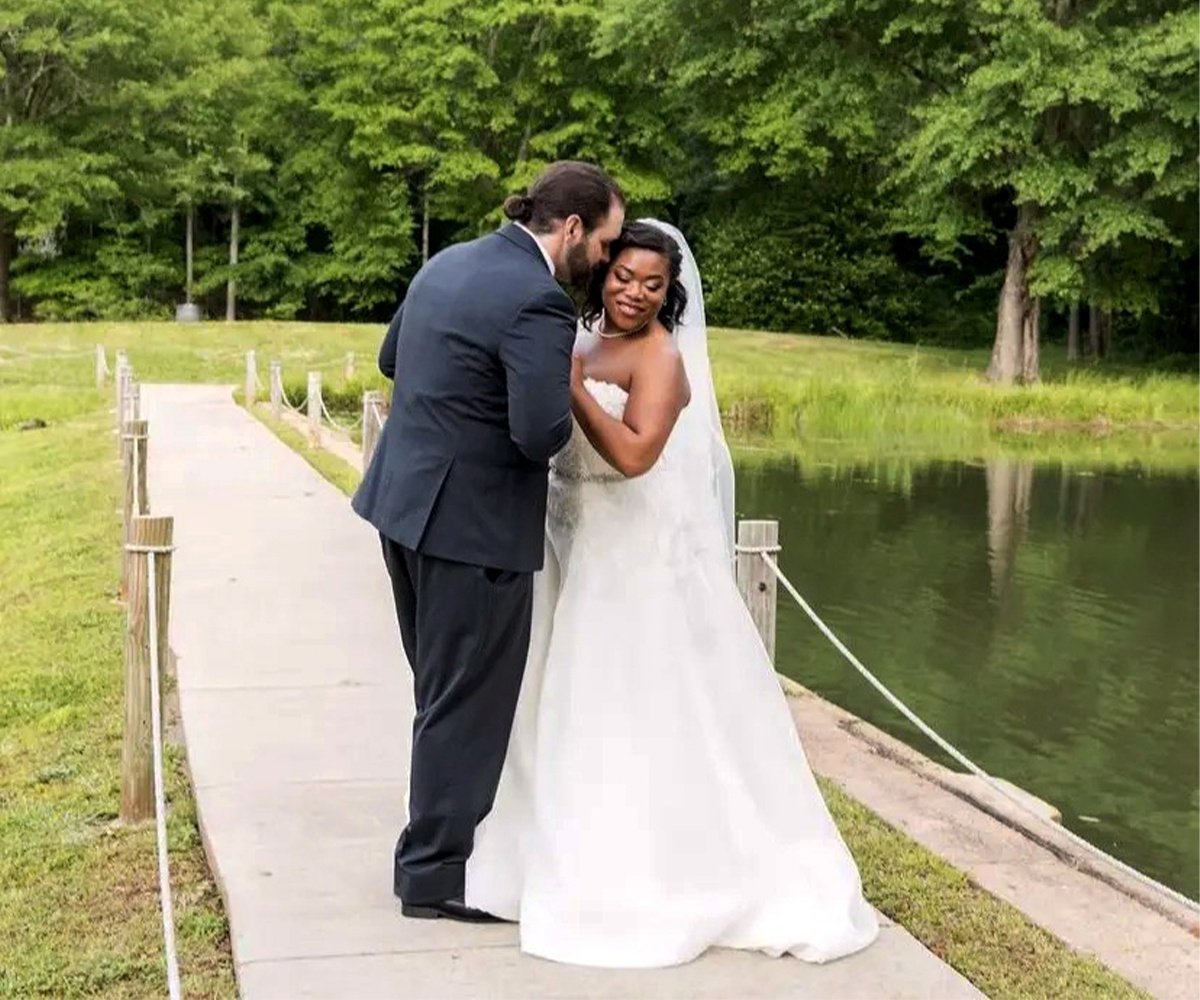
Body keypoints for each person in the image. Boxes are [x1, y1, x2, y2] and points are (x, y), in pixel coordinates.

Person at [464, 221, 880, 966]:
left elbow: (631, 454)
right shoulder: (580, 333)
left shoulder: (662, 359)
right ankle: (536, 849)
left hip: (629, 561)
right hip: (567, 548)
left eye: (653, 284)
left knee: (621, 708)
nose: (635, 293)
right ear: (603, 273)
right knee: (549, 703)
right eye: (624, 278)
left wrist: (567, 388)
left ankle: (644, 872)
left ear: (670, 290)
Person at [351, 161, 625, 922]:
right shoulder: (538, 300)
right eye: (602, 243)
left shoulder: (448, 263)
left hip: (404, 509)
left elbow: (391, 359)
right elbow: (537, 431)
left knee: (441, 693)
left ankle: (433, 856)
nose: (603, 261)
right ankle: (432, 877)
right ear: (570, 229)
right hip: (474, 530)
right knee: (466, 703)